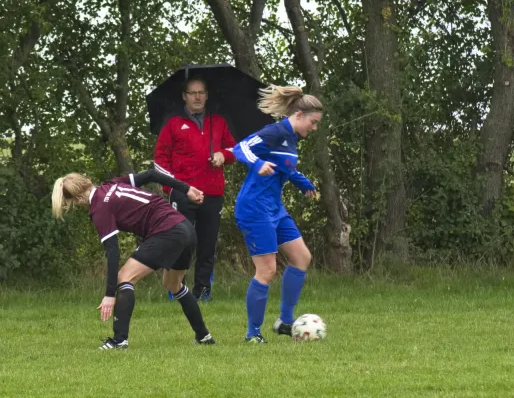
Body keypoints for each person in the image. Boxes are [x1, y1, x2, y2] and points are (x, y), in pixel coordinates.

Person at [51, 168, 216, 349]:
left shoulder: (99, 208)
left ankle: (119, 340)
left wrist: (109, 295)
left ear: (75, 199)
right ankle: (204, 337)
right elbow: (150, 175)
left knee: (124, 278)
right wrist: (186, 189)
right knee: (173, 284)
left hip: (167, 232)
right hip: (185, 228)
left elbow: (113, 252)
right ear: (86, 181)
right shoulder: (110, 184)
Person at [232, 85, 322, 343]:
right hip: (254, 208)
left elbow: (286, 167)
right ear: (299, 115)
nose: (314, 128)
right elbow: (241, 148)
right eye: (313, 123)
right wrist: (257, 163)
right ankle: (253, 334)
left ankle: (285, 321)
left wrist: (303, 182)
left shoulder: (291, 139)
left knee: (302, 257)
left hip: (274, 208)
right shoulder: (274, 132)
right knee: (267, 271)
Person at [154, 76, 237, 301]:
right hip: (182, 192)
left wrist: (224, 155)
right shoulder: (173, 124)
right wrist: (170, 188)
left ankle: (203, 293)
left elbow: (235, 150)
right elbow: (160, 159)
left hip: (213, 192)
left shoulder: (218, 122)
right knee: (180, 242)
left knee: (207, 245)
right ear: (185, 96)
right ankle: (176, 291)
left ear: (207, 95)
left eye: (201, 92)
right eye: (193, 93)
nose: (198, 97)